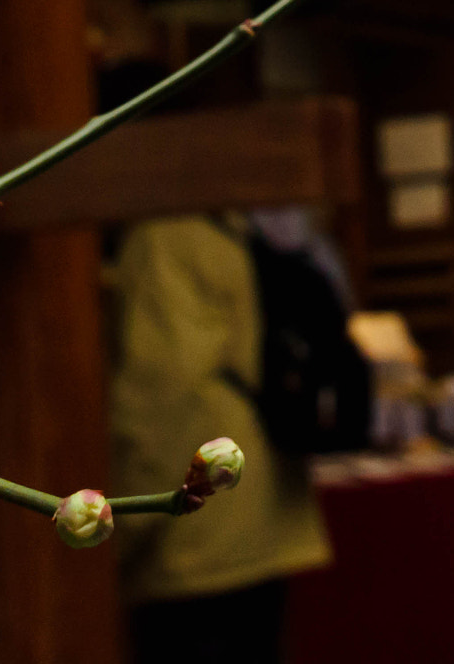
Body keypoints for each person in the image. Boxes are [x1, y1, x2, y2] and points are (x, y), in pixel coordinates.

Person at [111, 210, 334, 664]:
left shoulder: (162, 239)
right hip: (257, 504)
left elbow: (160, 395)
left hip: (195, 538)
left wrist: (117, 529)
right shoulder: (225, 224)